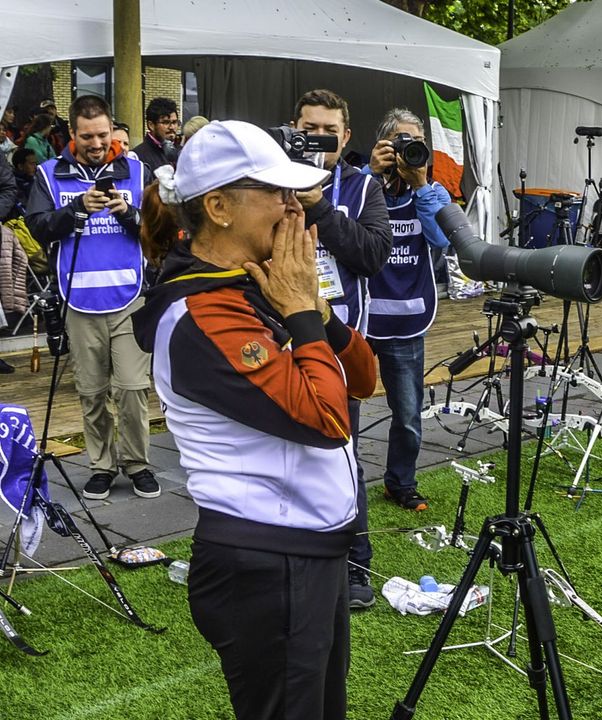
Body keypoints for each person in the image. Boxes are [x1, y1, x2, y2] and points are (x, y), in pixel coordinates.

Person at [131, 119, 375, 720]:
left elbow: (364, 382)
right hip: (267, 564)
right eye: (277, 192)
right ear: (217, 207)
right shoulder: (200, 312)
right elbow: (327, 419)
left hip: (308, 553)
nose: (296, 209)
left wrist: (314, 315)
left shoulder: (261, 287)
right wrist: (300, 314)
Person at [25, 94, 157, 500]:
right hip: (79, 300)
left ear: (111, 129)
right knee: (91, 390)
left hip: (130, 296)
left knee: (132, 388)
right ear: (72, 134)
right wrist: (78, 209)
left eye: (102, 134)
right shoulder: (50, 174)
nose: (96, 143)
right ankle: (101, 465)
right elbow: (38, 228)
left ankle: (136, 463)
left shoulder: (135, 170)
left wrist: (129, 213)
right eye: (87, 136)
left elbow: (161, 227)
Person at [344, 109, 449, 608]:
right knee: (347, 414)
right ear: (381, 141)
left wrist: (421, 178)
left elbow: (443, 239)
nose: (410, 148)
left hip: (408, 320)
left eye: (417, 142)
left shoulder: (430, 190)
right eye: (401, 142)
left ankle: (400, 483)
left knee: (407, 414)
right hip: (364, 320)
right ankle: (350, 490)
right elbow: (345, 224)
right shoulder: (361, 186)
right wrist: (372, 173)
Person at [293, 88, 392, 608]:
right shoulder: (272, 180)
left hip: (339, 343)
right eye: (309, 129)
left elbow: (373, 255)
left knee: (342, 451)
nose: (318, 139)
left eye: (328, 132)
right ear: (294, 127)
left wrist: (321, 210)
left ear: (345, 136)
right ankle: (294, 554)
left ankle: (356, 563)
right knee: (284, 449)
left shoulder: (361, 187)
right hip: (280, 339)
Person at [134, 97, 180, 174]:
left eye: (174, 122)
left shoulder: (181, 152)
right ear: (151, 125)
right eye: (166, 122)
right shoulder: (138, 157)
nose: (172, 127)